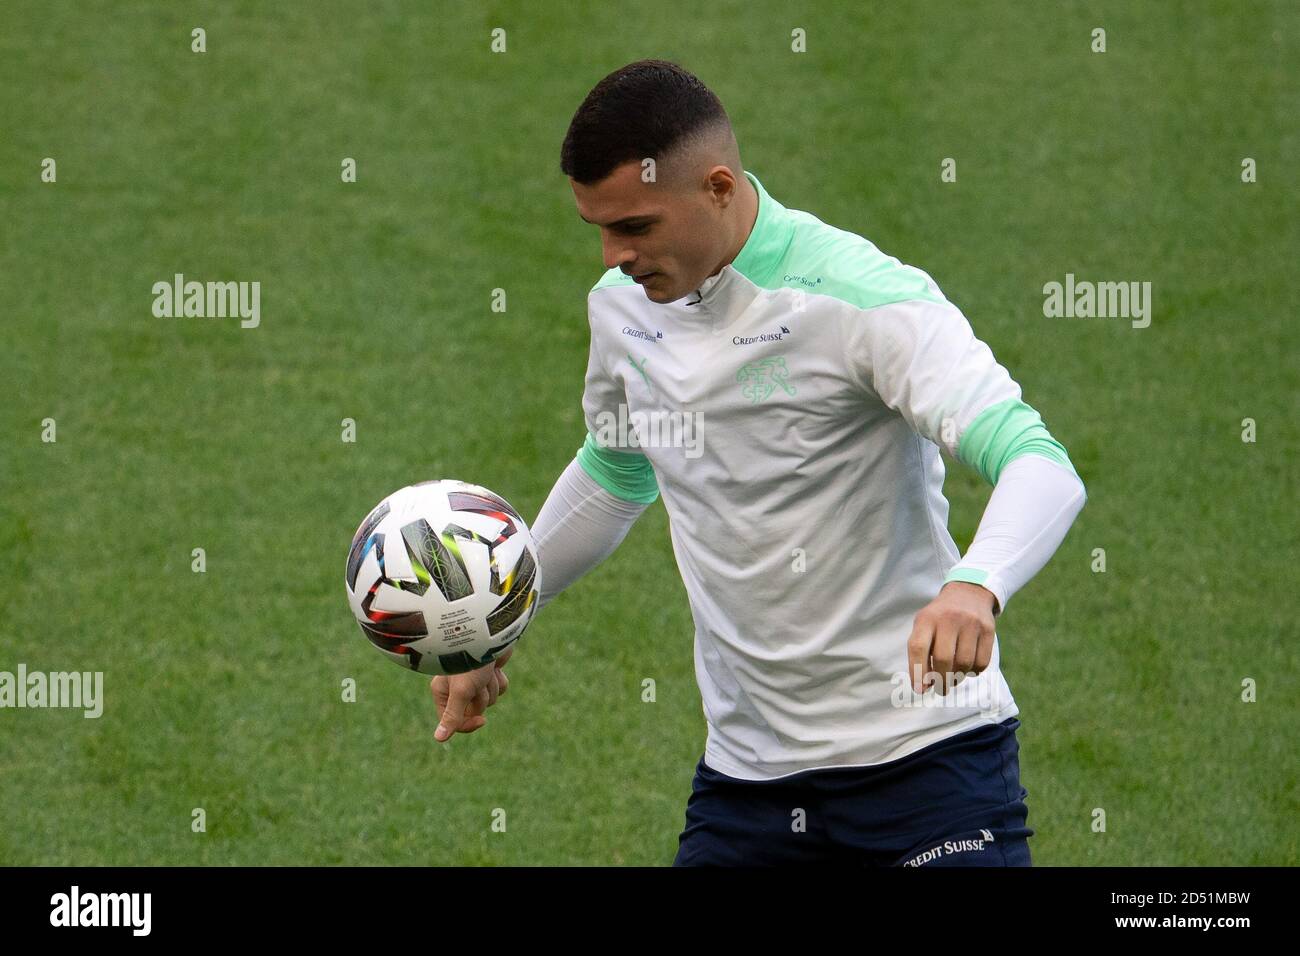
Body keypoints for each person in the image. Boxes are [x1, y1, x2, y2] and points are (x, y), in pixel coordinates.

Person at [430, 59, 1087, 866]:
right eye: (596, 230)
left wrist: (976, 584)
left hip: (931, 766)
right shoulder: (623, 313)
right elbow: (616, 474)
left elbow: (1038, 461)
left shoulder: (860, 298)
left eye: (634, 226)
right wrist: (500, 618)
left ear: (716, 186)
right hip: (750, 788)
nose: (611, 256)